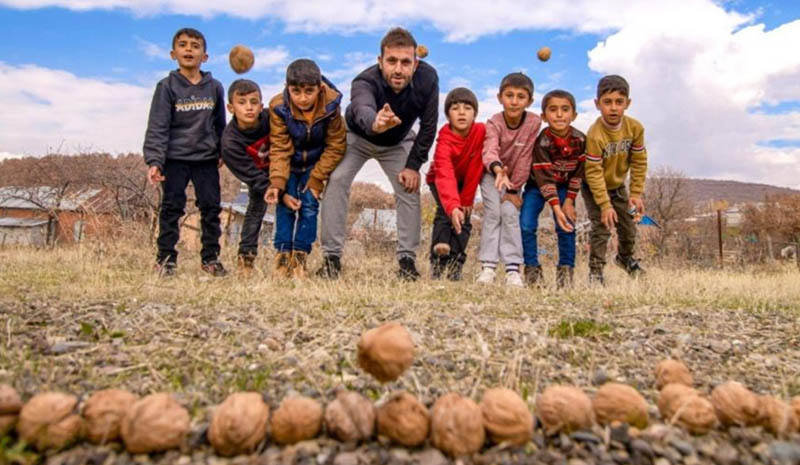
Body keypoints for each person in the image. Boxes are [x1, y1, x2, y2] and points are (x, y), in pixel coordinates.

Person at [317, 27, 439, 281]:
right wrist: (375, 122)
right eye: (391, 61)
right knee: (337, 179)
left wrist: (413, 166)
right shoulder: (364, 81)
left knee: (408, 186)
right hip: (358, 136)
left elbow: (428, 127)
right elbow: (362, 106)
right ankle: (331, 258)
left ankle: (407, 261)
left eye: (405, 62)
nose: (398, 69)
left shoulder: (428, 79)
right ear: (380, 61)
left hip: (398, 141)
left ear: (416, 64)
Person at [143, 27, 227, 277]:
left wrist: (222, 150)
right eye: (183, 45)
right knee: (171, 208)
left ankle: (210, 259)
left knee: (211, 209)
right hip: (175, 159)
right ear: (173, 54)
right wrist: (155, 160)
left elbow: (220, 124)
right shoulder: (166, 87)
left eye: (195, 46)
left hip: (205, 159)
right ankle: (166, 260)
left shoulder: (215, 87)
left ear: (205, 56)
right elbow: (158, 126)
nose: (189, 49)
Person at [265, 59, 346, 278]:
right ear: (287, 88)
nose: (302, 98)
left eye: (309, 91)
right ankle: (283, 256)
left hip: (315, 163)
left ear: (320, 88)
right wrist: (277, 182)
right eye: (296, 92)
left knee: (309, 206)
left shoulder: (331, 106)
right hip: (288, 163)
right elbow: (279, 146)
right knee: (285, 205)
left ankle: (300, 256)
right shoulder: (278, 107)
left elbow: (336, 145)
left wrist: (317, 178)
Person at [477, 72, 542, 287]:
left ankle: (513, 269)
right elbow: (489, 149)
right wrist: (497, 170)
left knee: (510, 214)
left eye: (521, 97)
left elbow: (525, 157)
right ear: (500, 98)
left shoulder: (533, 122)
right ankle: (488, 267)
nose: (514, 101)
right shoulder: (494, 122)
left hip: (515, 179)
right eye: (509, 95)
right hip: (492, 174)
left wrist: (514, 190)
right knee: (494, 214)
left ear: (529, 101)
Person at [582, 75, 648, 285]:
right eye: (607, 102)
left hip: (618, 186)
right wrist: (604, 205)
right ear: (597, 104)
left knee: (628, 227)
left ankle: (625, 258)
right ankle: (596, 272)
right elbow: (593, 172)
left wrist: (635, 193)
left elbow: (639, 161)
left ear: (627, 103)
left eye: (619, 102)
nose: (613, 108)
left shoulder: (635, 128)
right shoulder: (595, 135)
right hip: (595, 188)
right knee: (602, 228)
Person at [520, 89, 585, 288]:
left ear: (574, 115)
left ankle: (565, 274)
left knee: (566, 225)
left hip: (565, 186)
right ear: (544, 116)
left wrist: (569, 201)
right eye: (553, 109)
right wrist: (556, 207)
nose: (559, 114)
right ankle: (532, 272)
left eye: (565, 109)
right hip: (538, 185)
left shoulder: (581, 140)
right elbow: (545, 177)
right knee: (526, 224)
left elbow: (579, 173)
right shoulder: (543, 141)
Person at [426, 87, 486, 281]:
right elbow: (444, 174)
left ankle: (455, 265)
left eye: (467, 108)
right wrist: (452, 205)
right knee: (446, 213)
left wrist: (467, 199)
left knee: (464, 218)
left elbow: (477, 167)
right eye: (455, 108)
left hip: (466, 182)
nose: (461, 112)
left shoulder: (480, 132)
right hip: (440, 180)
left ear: (475, 113)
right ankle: (438, 262)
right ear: (447, 115)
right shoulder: (444, 141)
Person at [219, 79, 270, 276]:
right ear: (231, 108)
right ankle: (246, 259)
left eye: (254, 102)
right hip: (256, 175)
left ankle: (289, 256)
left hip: (282, 168)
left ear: (261, 105)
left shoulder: (271, 119)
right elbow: (252, 177)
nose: (249, 107)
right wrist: (274, 191)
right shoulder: (230, 142)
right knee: (256, 208)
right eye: (242, 102)